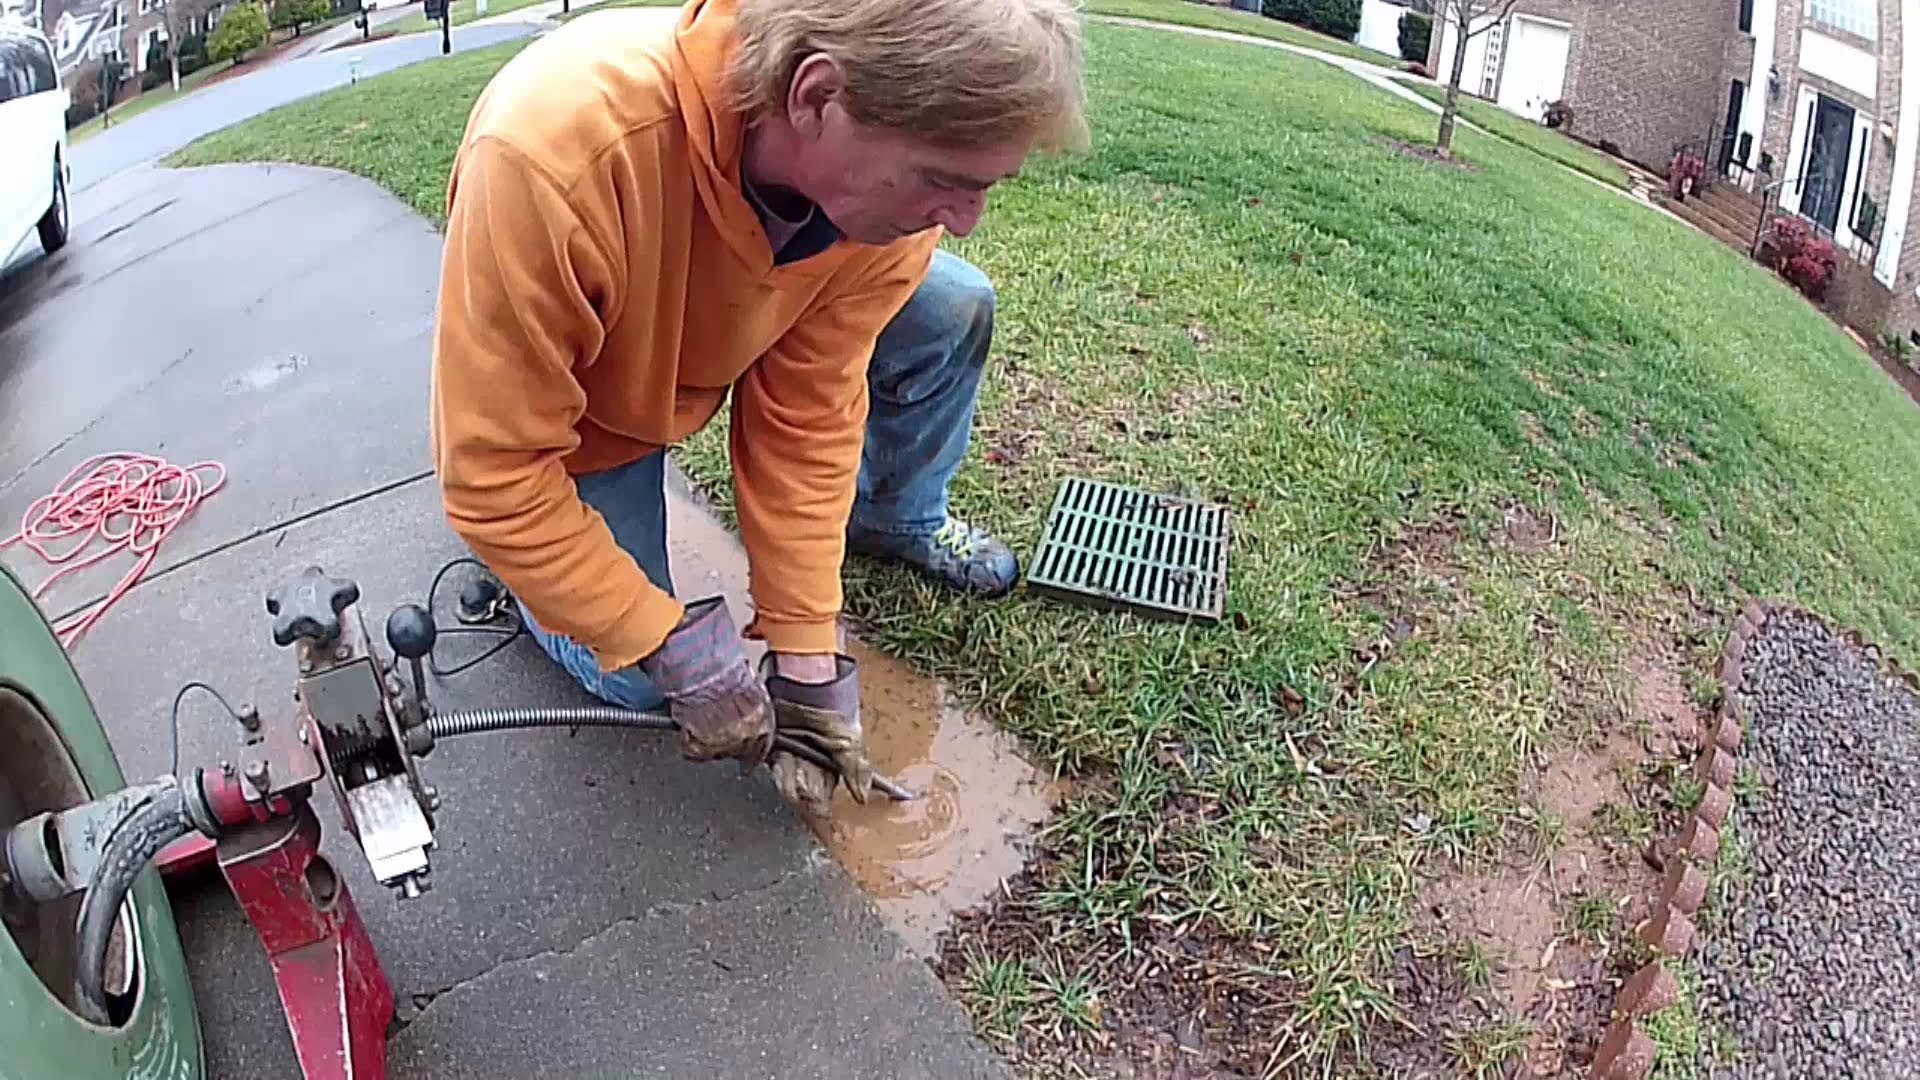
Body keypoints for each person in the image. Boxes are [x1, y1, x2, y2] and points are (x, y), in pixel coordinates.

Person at [428, 0, 1086, 811]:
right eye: (947, 181)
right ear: (814, 97)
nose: (965, 219)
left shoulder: (884, 214)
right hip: (590, 420)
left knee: (951, 304)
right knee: (643, 682)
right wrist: (663, 641)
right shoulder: (551, 155)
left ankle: (890, 515)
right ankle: (520, 582)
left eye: (986, 186)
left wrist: (807, 653)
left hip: (725, 324)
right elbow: (494, 473)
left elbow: (806, 417)